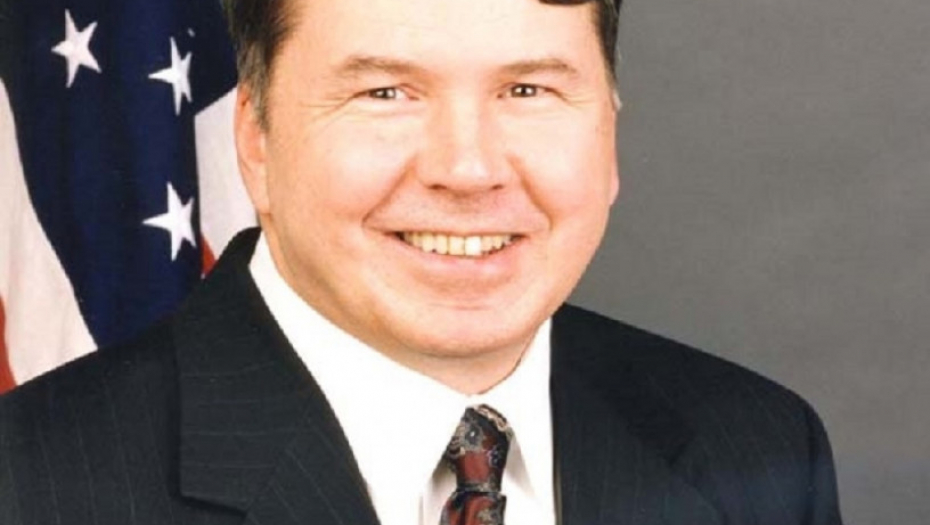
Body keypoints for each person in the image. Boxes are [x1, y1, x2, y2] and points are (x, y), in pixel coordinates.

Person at [0, 0, 844, 524]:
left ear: (609, 127)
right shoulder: (31, 486)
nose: (468, 169)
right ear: (254, 138)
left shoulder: (756, 449)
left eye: (528, 90)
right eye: (385, 93)